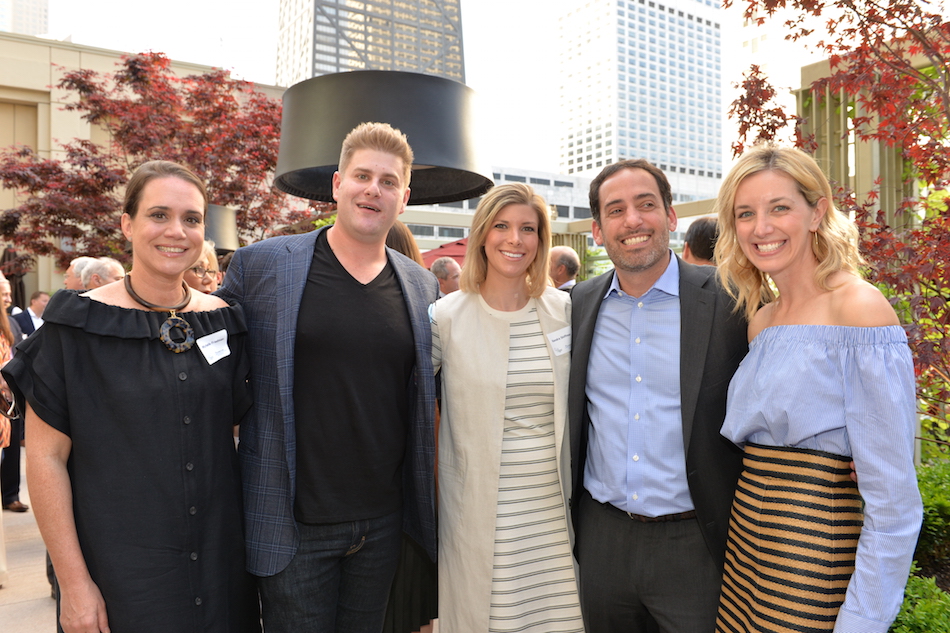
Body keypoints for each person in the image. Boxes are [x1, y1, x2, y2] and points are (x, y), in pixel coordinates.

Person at [2, 160, 260, 633]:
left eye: (191, 218)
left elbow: (238, 436)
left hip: (220, 571)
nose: (176, 231)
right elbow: (45, 460)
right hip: (121, 577)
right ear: (127, 224)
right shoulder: (75, 327)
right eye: (159, 215)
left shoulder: (226, 320)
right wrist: (74, 584)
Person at [216, 121, 438, 633]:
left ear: (403, 199)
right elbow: (207, 359)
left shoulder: (421, 285)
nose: (373, 189)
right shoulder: (263, 266)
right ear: (337, 184)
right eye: (362, 176)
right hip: (293, 525)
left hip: (382, 524)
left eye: (388, 182)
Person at [712, 145, 922, 633]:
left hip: (811, 554)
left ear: (817, 212)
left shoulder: (859, 309)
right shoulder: (761, 321)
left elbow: (894, 503)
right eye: (746, 213)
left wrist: (863, 621)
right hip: (745, 552)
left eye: (779, 207)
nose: (761, 227)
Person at [568, 158, 748, 632]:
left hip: (697, 542)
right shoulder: (578, 304)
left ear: (670, 216)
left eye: (645, 204)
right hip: (603, 540)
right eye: (615, 210)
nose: (632, 220)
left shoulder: (732, 300)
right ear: (597, 230)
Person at [432, 183, 584, 632]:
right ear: (482, 234)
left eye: (527, 229)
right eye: (501, 226)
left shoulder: (566, 311)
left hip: (553, 514)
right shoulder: (445, 317)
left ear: (541, 239)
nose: (514, 239)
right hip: (480, 518)